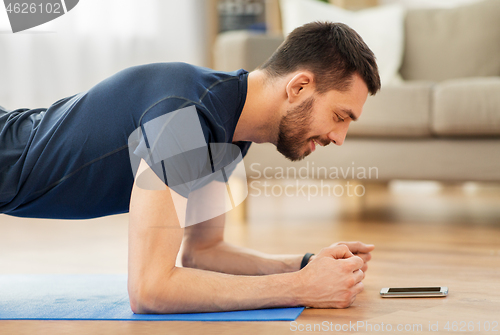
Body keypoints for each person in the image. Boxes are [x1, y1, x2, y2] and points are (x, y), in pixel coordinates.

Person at [0, 21, 380, 313]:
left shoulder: (231, 128)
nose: (340, 137)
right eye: (339, 116)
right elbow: (150, 289)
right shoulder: (186, 117)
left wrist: (304, 265)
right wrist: (300, 288)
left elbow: (204, 251)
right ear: (298, 87)